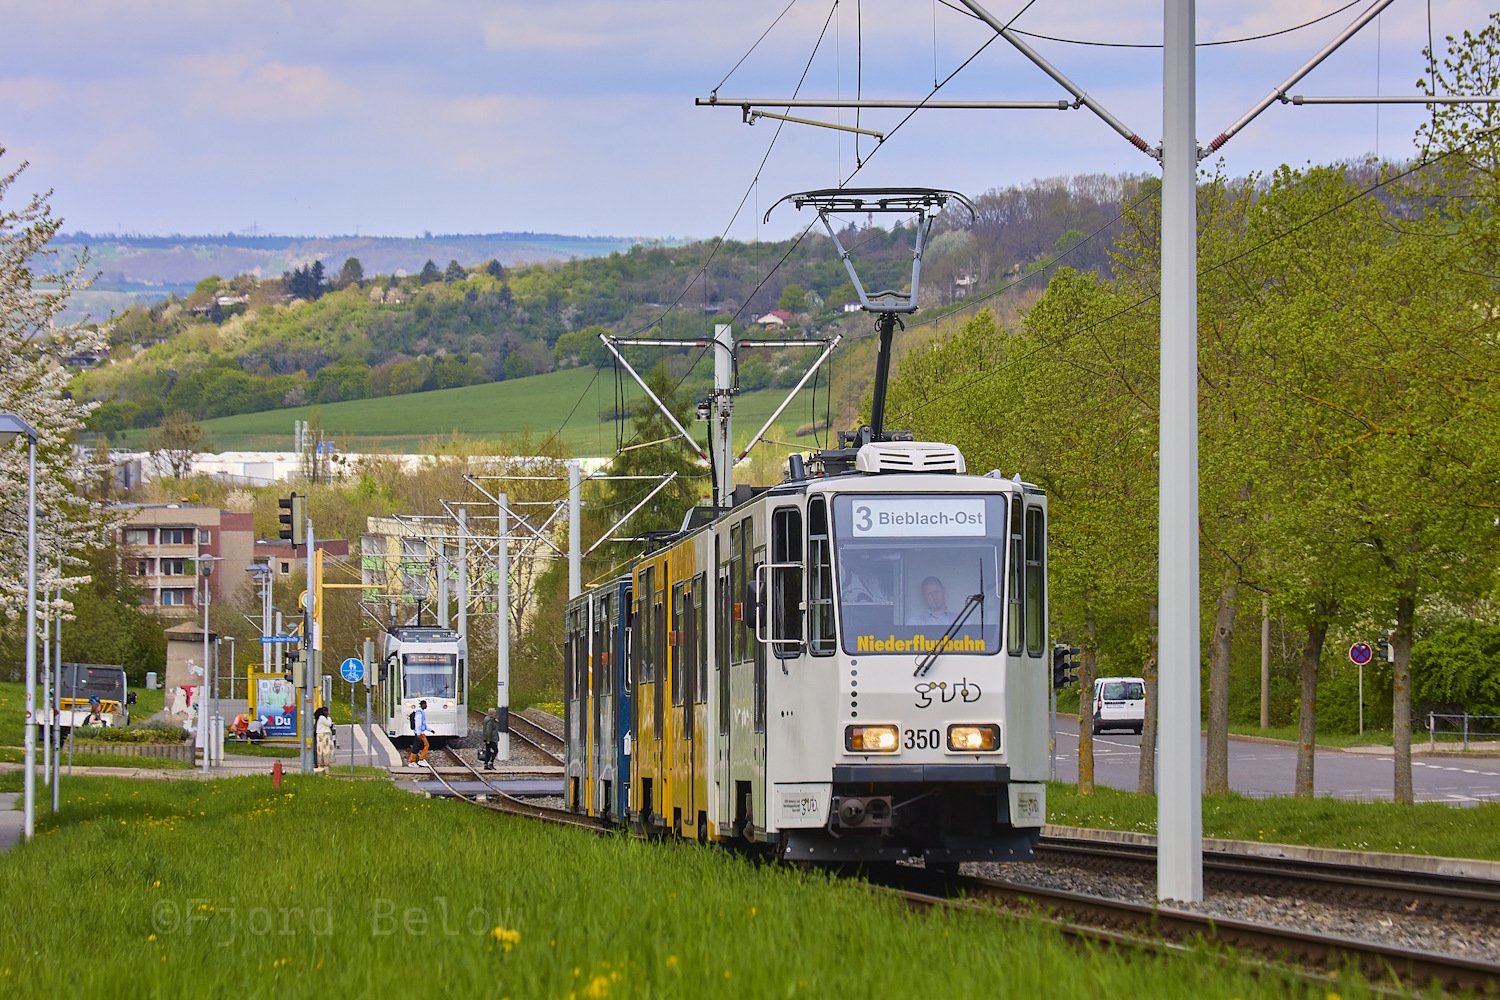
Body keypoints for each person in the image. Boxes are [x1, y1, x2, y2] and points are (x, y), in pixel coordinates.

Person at [407, 700, 432, 768]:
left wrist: (430, 730)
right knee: (425, 745)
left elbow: (423, 723)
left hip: (420, 732)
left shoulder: (420, 712)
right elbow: (418, 724)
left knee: (417, 746)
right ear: (423, 705)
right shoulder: (419, 713)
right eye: (425, 705)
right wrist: (418, 733)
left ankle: (413, 760)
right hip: (420, 733)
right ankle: (420, 760)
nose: (426, 706)